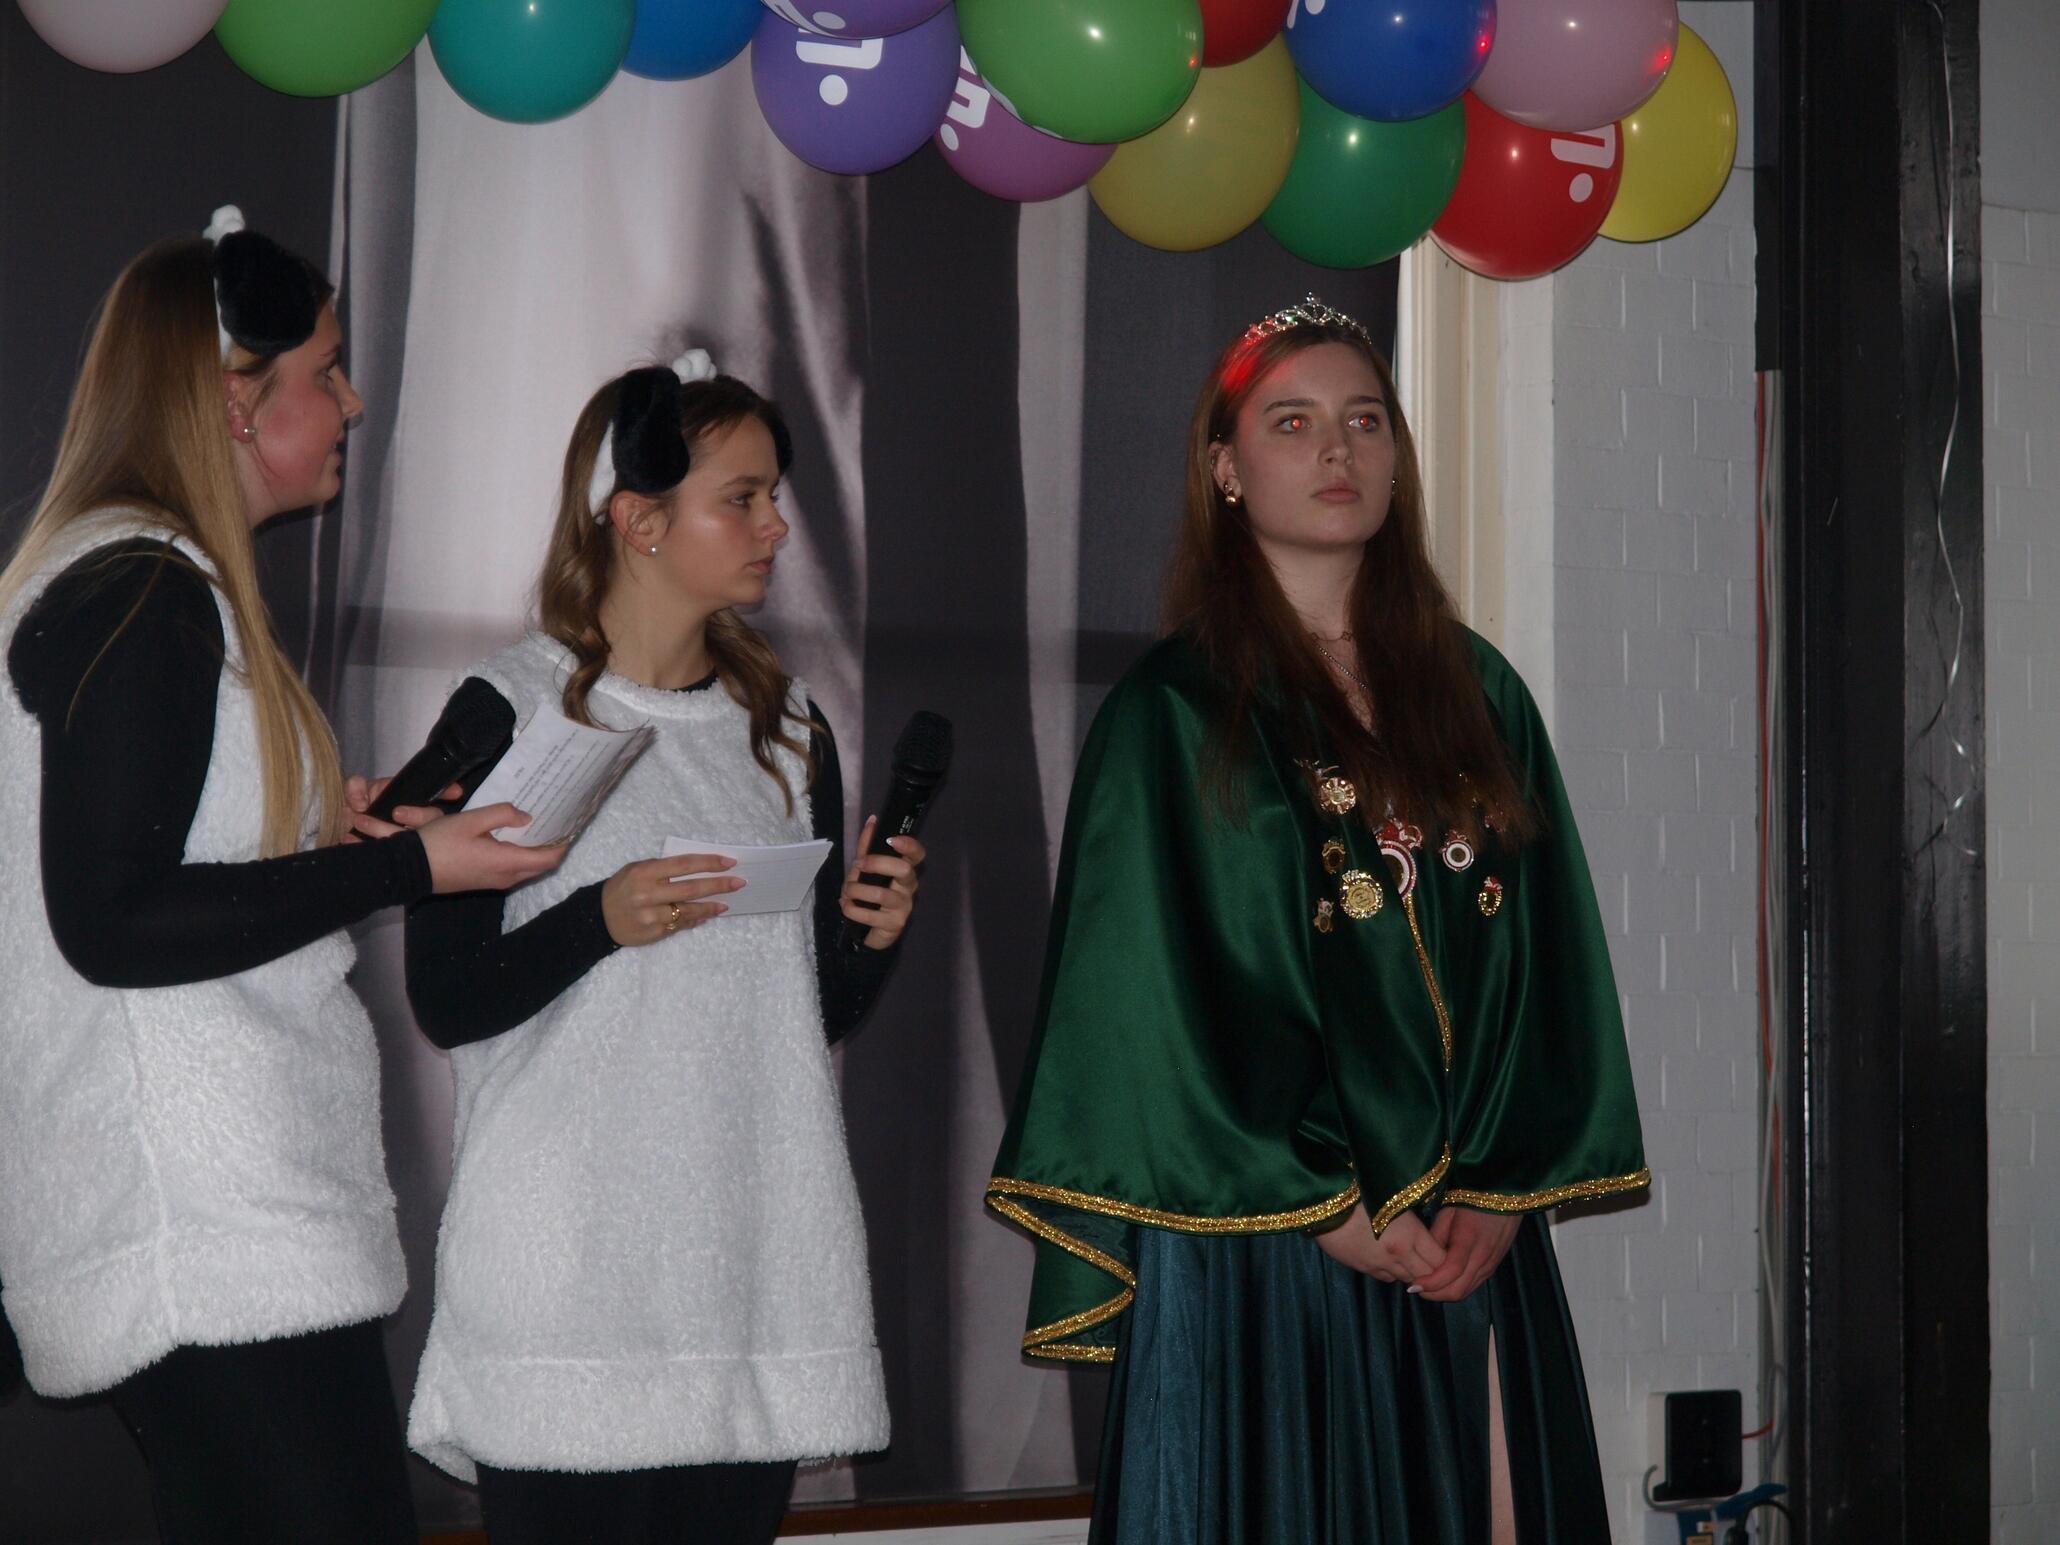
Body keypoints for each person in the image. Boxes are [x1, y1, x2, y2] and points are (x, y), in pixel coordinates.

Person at [987, 297, 1649, 1544]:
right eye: (1291, 424)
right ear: (1225, 469)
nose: (1336, 449)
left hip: (1461, 1234)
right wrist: (1323, 1204)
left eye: (1363, 421)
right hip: (1267, 1242)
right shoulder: (1175, 713)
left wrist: (1503, 1191)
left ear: (1396, 459)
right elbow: (1143, 1004)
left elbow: (1543, 960)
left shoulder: (1477, 692)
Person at [0, 209, 559, 1543]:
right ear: (234, 401)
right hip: (204, 1235)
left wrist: (327, 838)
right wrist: (405, 866)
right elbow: (113, 920)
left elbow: (153, 862)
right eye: (327, 369)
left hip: (223, 1229)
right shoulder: (139, 591)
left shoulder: (147, 581)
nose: (352, 400)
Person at [403, 351, 924, 1545]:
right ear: (637, 520)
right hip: (564, 1272)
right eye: (741, 497)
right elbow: (447, 996)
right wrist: (599, 919)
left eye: (773, 494)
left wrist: (870, 938)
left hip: (744, 1263)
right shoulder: (508, 710)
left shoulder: (786, 729)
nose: (775, 525)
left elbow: (809, 1017)